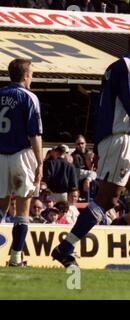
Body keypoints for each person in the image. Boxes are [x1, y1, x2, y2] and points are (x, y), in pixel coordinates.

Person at [52, 31, 130, 270]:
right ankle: (65, 248)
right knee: (108, 199)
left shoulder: (122, 68)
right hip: (120, 139)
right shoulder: (127, 66)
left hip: (129, 141)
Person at [0, 58, 43, 267]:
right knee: (22, 209)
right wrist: (40, 162)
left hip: (0, 156)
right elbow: (34, 133)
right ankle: (15, 257)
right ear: (26, 75)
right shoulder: (29, 97)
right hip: (21, 155)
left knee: (0, 208)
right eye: (32, 74)